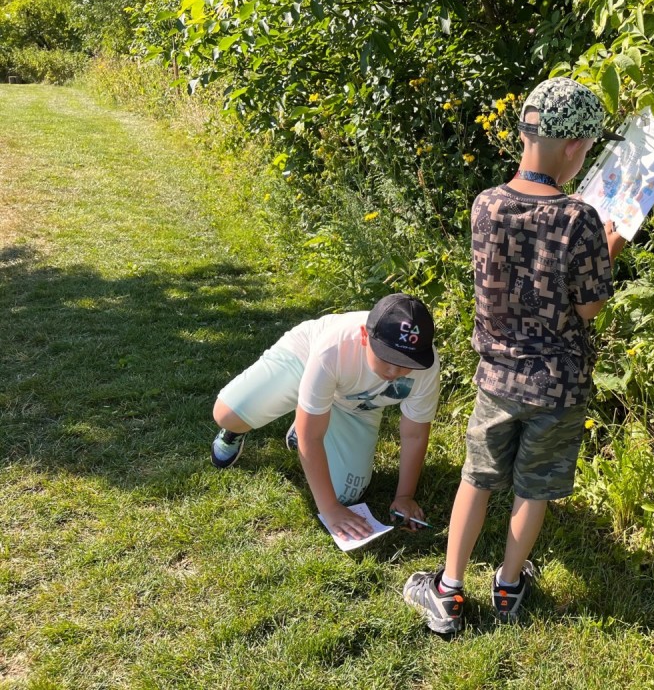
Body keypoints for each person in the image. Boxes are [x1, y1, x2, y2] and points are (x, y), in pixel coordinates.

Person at [403, 77, 628, 634]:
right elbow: (588, 308)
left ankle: (449, 590)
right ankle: (507, 586)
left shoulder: (486, 204)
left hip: (498, 378)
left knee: (476, 478)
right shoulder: (580, 219)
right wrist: (609, 248)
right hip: (558, 384)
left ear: (526, 133)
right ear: (574, 147)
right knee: (534, 487)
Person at [210, 293, 440, 539]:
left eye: (404, 362)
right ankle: (243, 429)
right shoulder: (333, 347)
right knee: (227, 414)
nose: (394, 371)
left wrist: (404, 496)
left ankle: (308, 418)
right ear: (365, 336)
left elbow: (415, 434)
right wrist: (330, 509)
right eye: (387, 358)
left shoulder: (425, 365)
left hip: (356, 404)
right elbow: (312, 437)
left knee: (345, 494)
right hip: (303, 360)